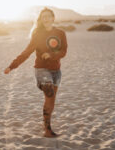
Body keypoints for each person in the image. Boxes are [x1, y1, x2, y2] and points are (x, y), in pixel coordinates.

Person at [4, 7, 68, 138]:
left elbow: (63, 52)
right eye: (43, 17)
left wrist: (51, 55)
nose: (46, 19)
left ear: (53, 18)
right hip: (41, 69)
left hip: (56, 71)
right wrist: (12, 66)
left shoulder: (60, 33)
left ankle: (47, 127)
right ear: (41, 19)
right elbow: (26, 52)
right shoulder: (38, 35)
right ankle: (47, 130)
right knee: (49, 91)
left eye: (48, 16)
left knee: (50, 100)